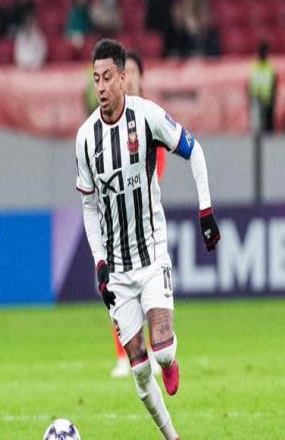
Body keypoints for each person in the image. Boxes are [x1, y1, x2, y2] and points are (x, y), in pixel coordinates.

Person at [75, 39, 220, 439]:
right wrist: (98, 261)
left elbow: (194, 150)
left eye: (108, 77)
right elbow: (89, 206)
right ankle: (173, 436)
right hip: (117, 269)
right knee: (139, 372)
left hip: (152, 254)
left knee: (163, 351)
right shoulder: (85, 138)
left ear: (124, 78)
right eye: (96, 79)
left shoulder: (148, 117)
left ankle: (171, 360)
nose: (101, 86)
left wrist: (205, 210)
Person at [110, 51, 164, 379]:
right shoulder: (108, 120)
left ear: (141, 77)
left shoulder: (150, 116)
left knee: (150, 289)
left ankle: (157, 350)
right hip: (117, 221)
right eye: (124, 72)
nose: (128, 77)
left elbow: (160, 163)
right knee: (117, 289)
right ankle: (124, 355)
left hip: (146, 220)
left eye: (132, 71)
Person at [249, 41, 277, 134]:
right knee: (258, 125)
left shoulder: (270, 67)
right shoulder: (255, 66)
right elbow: (251, 83)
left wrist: (273, 97)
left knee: (268, 125)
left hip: (267, 99)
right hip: (257, 98)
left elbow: (273, 83)